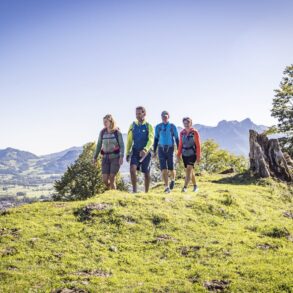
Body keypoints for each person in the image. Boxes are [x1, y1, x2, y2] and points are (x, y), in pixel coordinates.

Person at [126, 106, 154, 193]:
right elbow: (129, 140)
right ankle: (135, 191)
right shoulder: (132, 126)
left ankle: (146, 192)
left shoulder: (149, 126)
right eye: (136, 114)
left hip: (146, 152)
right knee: (132, 169)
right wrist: (127, 153)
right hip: (135, 151)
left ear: (144, 113)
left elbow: (151, 139)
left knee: (146, 172)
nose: (137, 115)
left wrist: (145, 149)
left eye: (139, 113)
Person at [93, 114, 124, 190]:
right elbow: (99, 145)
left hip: (115, 158)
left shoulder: (117, 133)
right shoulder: (102, 132)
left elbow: (122, 146)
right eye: (103, 122)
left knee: (112, 177)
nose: (104, 123)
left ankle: (114, 195)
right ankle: (112, 189)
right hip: (105, 158)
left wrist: (121, 157)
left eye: (106, 121)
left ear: (111, 121)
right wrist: (95, 157)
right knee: (104, 179)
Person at [153, 111, 179, 193]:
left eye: (166, 116)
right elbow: (156, 139)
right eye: (163, 116)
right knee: (163, 169)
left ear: (168, 117)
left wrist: (179, 150)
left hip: (170, 149)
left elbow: (177, 139)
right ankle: (167, 187)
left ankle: (173, 180)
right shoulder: (158, 127)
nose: (164, 117)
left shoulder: (172, 126)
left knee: (171, 168)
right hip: (161, 149)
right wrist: (154, 151)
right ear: (161, 117)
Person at [177, 117, 201, 192]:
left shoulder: (195, 132)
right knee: (190, 171)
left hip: (192, 154)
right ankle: (195, 186)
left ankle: (185, 187)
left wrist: (198, 156)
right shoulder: (182, 133)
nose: (186, 125)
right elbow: (180, 144)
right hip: (184, 154)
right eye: (184, 123)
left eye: (187, 123)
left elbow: (198, 145)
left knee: (188, 170)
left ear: (191, 123)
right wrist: (178, 155)